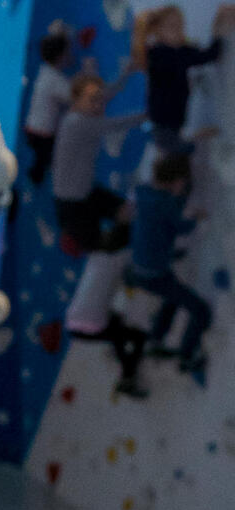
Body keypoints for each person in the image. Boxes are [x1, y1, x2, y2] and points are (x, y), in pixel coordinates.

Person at [130, 146, 212, 384]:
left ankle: (156, 338)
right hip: (154, 272)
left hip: (143, 268)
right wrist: (196, 217)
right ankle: (187, 354)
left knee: (173, 296)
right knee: (200, 310)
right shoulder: (165, 204)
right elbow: (182, 227)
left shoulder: (144, 191)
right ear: (176, 181)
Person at [62, 193, 150, 399]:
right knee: (138, 336)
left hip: (73, 321)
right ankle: (128, 377)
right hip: (93, 323)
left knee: (116, 328)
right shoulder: (122, 257)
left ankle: (119, 352)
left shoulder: (96, 255)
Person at [52, 65, 143, 252]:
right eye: (93, 101)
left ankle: (144, 248)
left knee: (127, 211)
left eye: (100, 101)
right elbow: (117, 124)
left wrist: (125, 74)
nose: (99, 105)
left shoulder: (80, 113)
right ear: (76, 100)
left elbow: (104, 94)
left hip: (85, 192)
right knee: (101, 246)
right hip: (72, 203)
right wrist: (150, 114)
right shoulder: (77, 123)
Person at [136, 0, 233, 155]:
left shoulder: (180, 51)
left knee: (188, 150)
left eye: (180, 26)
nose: (179, 30)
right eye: (172, 27)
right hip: (163, 125)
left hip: (174, 123)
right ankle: (197, 137)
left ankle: (196, 137)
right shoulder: (158, 53)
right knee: (186, 151)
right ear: (158, 31)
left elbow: (210, 55)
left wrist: (220, 22)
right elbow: (195, 56)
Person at [23, 21, 75, 184]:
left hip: (34, 128)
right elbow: (75, 96)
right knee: (49, 165)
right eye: (68, 53)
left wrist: (61, 35)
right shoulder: (55, 79)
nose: (71, 56)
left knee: (42, 163)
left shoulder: (45, 71)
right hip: (43, 134)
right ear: (60, 57)